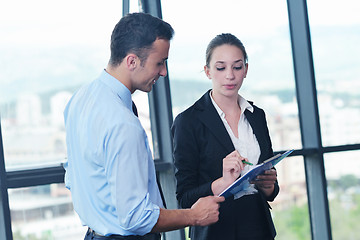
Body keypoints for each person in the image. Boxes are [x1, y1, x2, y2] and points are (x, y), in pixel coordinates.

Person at [63, 12, 224, 240]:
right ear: (131, 61)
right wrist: (194, 215)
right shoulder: (122, 124)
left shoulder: (79, 99)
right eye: (159, 63)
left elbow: (72, 178)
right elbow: (136, 218)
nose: (164, 72)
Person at [172, 33, 279, 240]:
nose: (229, 75)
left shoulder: (257, 116)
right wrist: (222, 183)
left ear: (245, 70)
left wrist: (269, 186)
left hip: (259, 227)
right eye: (220, 68)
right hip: (215, 231)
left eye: (237, 67)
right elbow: (185, 199)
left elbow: (270, 189)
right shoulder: (188, 121)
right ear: (207, 71)